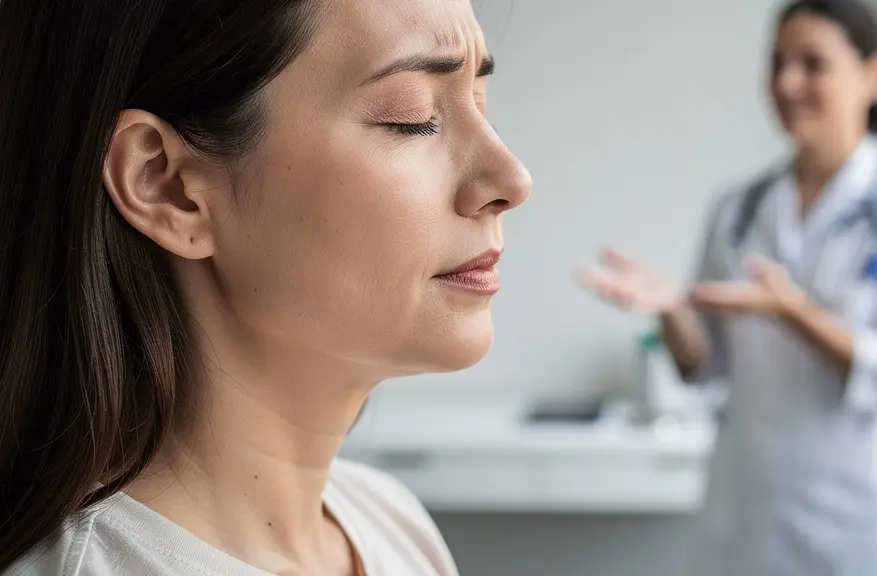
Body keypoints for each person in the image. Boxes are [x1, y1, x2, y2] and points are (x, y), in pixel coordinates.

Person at [0, 0, 531, 574]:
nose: (512, 179)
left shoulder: (392, 527)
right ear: (166, 185)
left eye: (479, 103)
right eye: (412, 117)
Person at [582, 1, 877, 574]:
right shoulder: (739, 208)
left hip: (863, 517)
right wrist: (669, 310)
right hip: (751, 509)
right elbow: (705, 365)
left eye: (813, 63)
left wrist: (794, 312)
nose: (787, 83)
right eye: (778, 63)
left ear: (873, 75)